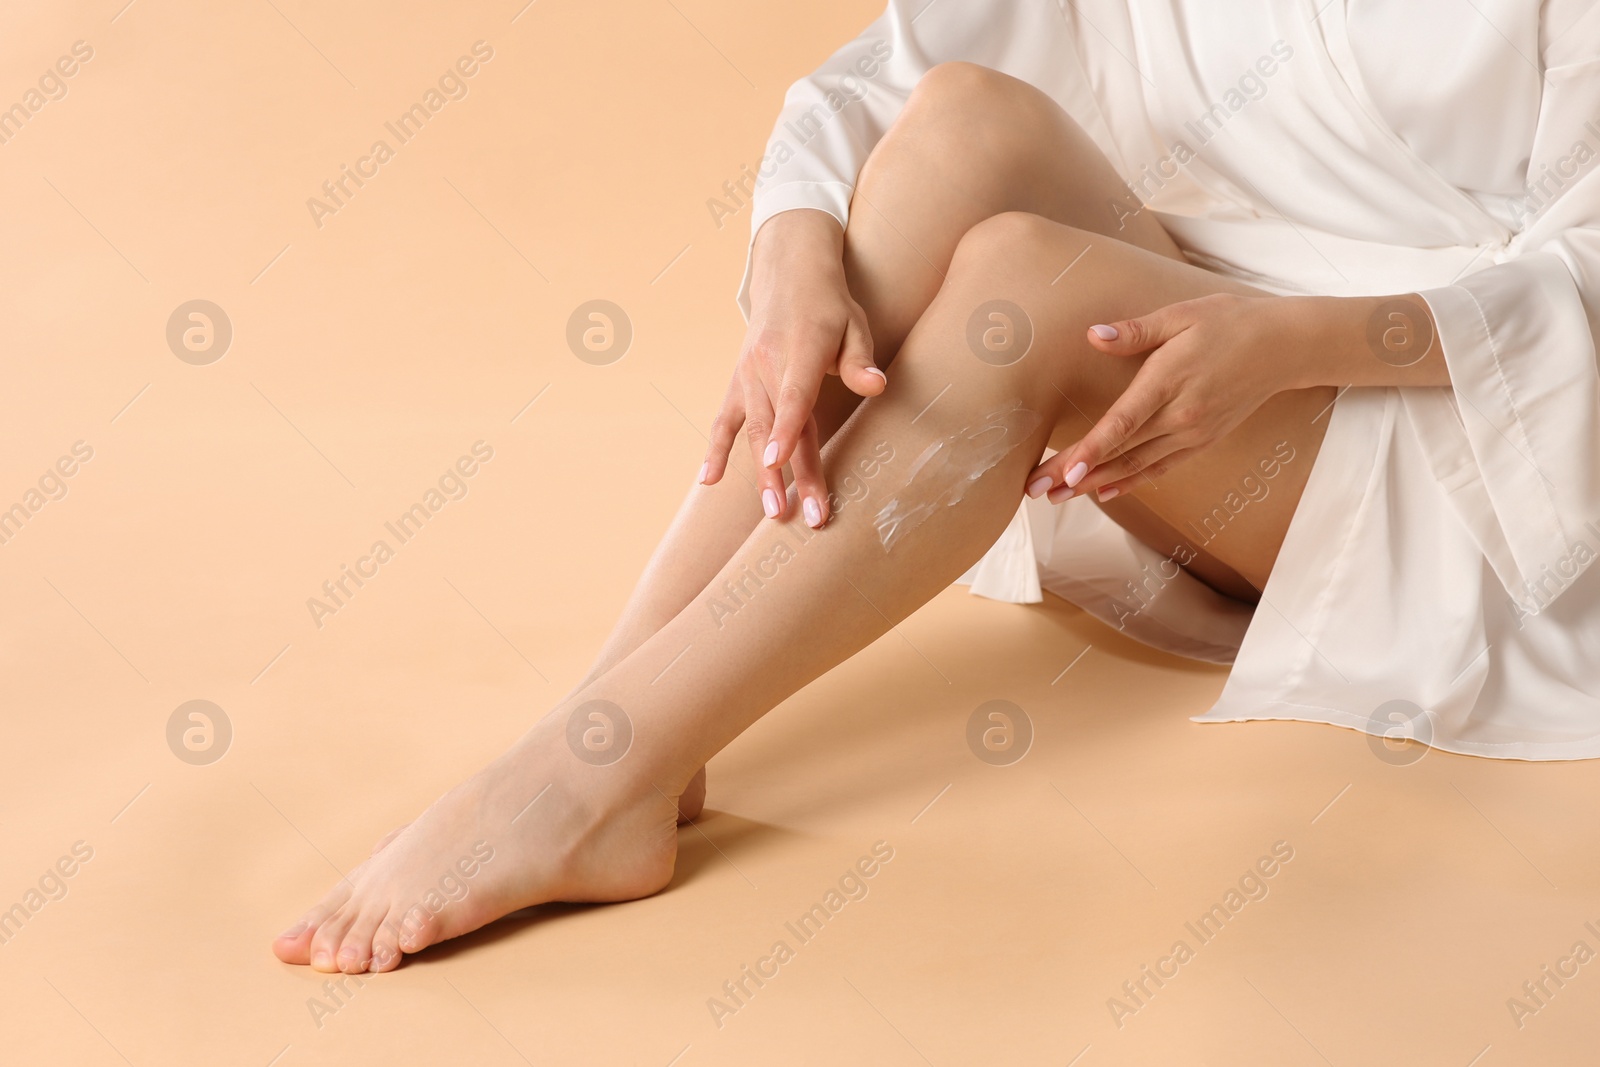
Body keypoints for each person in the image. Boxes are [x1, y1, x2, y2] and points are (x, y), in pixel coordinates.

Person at [273, 0, 1600, 974]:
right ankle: (622, 733)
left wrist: (1296, 342)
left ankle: (586, 774)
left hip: (1456, 433)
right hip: (1198, 339)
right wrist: (797, 251)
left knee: (1021, 277)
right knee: (971, 119)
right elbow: (890, 74)